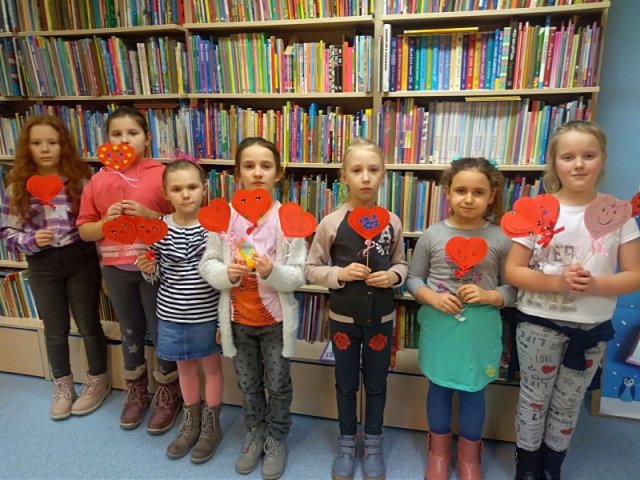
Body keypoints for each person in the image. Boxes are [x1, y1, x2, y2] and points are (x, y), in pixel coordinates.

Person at [505, 121, 640, 480]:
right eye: (568, 157)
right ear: (554, 162)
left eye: (588, 155)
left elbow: (634, 274)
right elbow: (514, 271)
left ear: (603, 159)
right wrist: (556, 282)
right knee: (534, 399)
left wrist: (594, 284)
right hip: (539, 324)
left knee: (567, 402)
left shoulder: (619, 215)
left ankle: (552, 467)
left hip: (591, 328)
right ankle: (527, 468)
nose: (578, 164)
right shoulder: (536, 210)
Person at [199, 137, 306, 480]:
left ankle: (277, 437)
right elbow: (208, 263)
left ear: (279, 173)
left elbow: (299, 273)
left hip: (275, 322)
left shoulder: (287, 219)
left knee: (278, 382)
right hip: (238, 321)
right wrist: (226, 274)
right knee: (248, 383)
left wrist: (273, 271)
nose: (258, 172)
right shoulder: (225, 218)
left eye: (266, 166)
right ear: (237, 174)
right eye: (249, 166)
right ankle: (255, 432)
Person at [406, 157, 516, 480]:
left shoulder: (501, 238)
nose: (469, 199)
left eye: (478, 192)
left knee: (474, 391)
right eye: (461, 190)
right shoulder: (432, 235)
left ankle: (470, 458)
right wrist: (432, 297)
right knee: (438, 388)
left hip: (479, 332)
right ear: (447, 192)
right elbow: (413, 279)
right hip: (440, 328)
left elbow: (514, 288)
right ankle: (438, 453)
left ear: (491, 195)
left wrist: (489, 295)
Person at [305, 138, 408, 480]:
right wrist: (340, 274)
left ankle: (373, 443)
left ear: (383, 175)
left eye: (373, 170)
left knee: (377, 383)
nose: (365, 177)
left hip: (381, 320)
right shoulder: (331, 223)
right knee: (346, 383)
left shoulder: (392, 221)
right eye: (357, 170)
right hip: (343, 321)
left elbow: (401, 263)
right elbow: (311, 268)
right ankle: (347, 442)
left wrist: (393, 276)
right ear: (344, 176)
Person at [76, 105, 181, 434]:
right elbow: (85, 230)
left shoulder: (161, 174)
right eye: (116, 134)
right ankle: (136, 389)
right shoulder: (98, 180)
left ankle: (168, 389)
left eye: (132, 133)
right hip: (116, 269)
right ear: (106, 141)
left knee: (161, 329)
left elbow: (183, 220)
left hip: (155, 267)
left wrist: (150, 215)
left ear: (147, 138)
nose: (124, 140)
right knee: (130, 330)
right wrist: (104, 224)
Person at [0, 115, 109, 420]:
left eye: (52, 142)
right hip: (42, 264)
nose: (45, 149)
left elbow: (94, 221)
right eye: (37, 143)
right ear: (27, 148)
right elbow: (6, 233)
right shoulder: (17, 187)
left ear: (63, 146)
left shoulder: (81, 180)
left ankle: (98, 379)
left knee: (88, 323)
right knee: (54, 327)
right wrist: (31, 240)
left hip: (80, 258)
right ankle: (62, 384)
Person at [136, 158, 223, 463]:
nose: (186, 194)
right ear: (166, 193)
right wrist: (149, 269)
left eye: (192, 187)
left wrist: (222, 321)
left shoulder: (215, 227)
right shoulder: (159, 228)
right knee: (184, 369)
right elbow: (156, 275)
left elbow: (223, 278)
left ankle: (211, 426)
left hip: (207, 314)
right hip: (171, 315)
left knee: (211, 368)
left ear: (204, 189)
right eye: (177, 189)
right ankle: (191, 423)